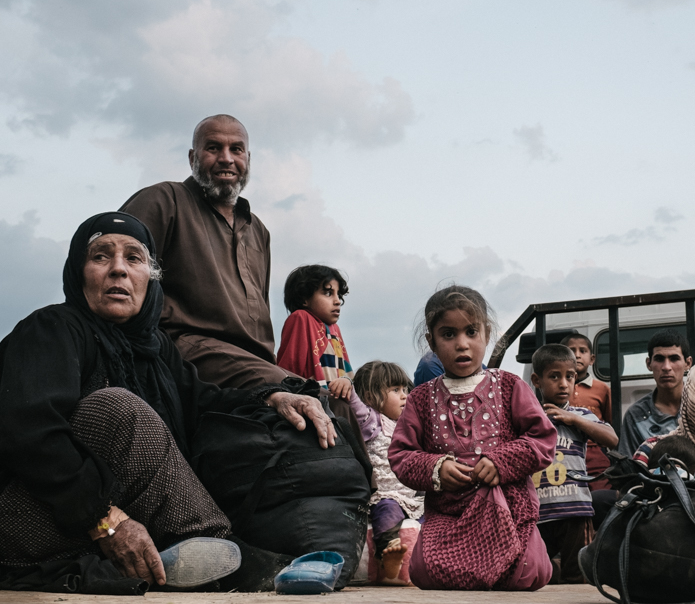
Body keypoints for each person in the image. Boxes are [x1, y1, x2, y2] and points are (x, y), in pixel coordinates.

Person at [0, 213, 339, 594]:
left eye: (134, 258)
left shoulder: (156, 348)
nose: (118, 270)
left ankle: (197, 555)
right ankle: (222, 553)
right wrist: (105, 520)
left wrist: (274, 395)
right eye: (100, 256)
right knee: (117, 408)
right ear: (78, 272)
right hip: (30, 520)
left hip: (110, 526)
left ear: (151, 277)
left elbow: (204, 403)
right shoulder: (53, 328)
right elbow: (30, 432)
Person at [387, 286, 557, 590]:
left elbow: (543, 438)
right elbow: (401, 454)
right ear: (432, 342)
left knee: (530, 571)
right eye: (448, 334)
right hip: (449, 515)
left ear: (487, 333)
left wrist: (502, 461)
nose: (462, 344)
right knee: (423, 571)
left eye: (471, 331)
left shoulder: (509, 386)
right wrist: (436, 468)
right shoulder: (420, 398)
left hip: (509, 510)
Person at [120, 115, 282, 390]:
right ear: (192, 157)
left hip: (256, 362)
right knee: (295, 391)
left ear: (248, 159)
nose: (226, 158)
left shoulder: (258, 230)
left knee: (340, 401)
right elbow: (113, 269)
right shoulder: (164, 200)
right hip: (183, 348)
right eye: (213, 147)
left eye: (236, 149)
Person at [530, 344, 618, 584]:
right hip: (537, 514)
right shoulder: (527, 417)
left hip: (575, 512)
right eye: (554, 376)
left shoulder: (581, 415)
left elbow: (611, 438)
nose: (563, 384)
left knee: (577, 576)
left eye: (569, 377)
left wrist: (574, 419)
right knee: (537, 577)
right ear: (537, 380)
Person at [351, 361, 423, 585]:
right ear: (371, 397)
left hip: (410, 499)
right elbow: (354, 406)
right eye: (395, 390)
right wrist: (347, 383)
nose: (404, 396)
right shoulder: (371, 422)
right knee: (387, 512)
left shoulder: (404, 424)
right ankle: (388, 560)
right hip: (385, 496)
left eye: (405, 389)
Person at [619, 330, 692, 455]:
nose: (666, 367)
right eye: (659, 359)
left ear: (688, 363)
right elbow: (629, 467)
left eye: (674, 359)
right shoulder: (636, 414)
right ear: (649, 364)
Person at [562, 334, 613, 491]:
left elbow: (608, 421)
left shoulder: (602, 389)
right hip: (566, 450)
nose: (577, 355)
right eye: (572, 351)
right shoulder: (559, 387)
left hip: (595, 452)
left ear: (592, 359)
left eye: (582, 351)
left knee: (600, 492)